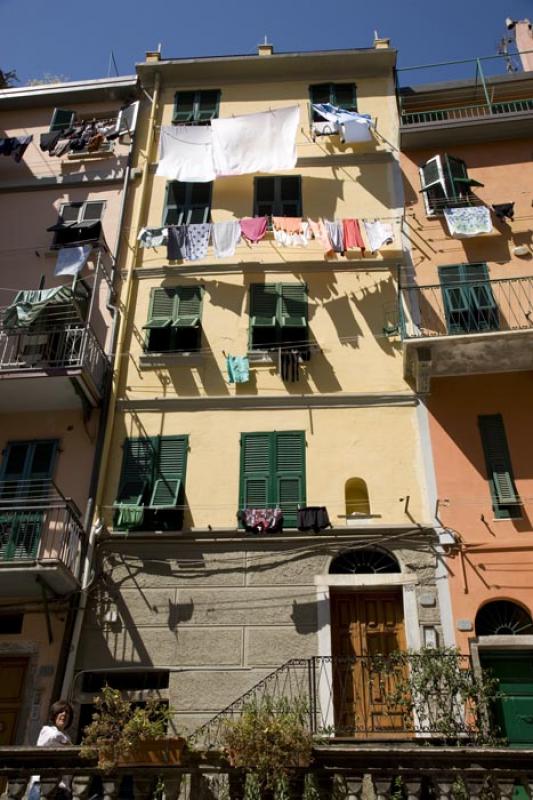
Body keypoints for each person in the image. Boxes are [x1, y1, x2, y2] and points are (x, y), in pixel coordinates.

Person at [28, 700, 74, 800]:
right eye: (61, 711)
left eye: (67, 713)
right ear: (54, 714)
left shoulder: (68, 738)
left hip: (62, 789)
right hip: (41, 786)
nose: (64, 714)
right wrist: (68, 744)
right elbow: (54, 736)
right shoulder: (47, 730)